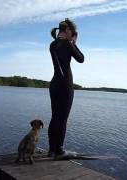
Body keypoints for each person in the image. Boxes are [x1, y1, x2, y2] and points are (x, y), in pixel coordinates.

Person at [48, 18, 84, 157]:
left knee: (55, 117)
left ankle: (52, 150)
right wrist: (74, 43)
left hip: (54, 84)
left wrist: (71, 42)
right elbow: (81, 58)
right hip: (65, 85)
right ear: (68, 31)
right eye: (72, 32)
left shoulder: (52, 44)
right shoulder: (68, 44)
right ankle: (60, 150)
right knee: (62, 119)